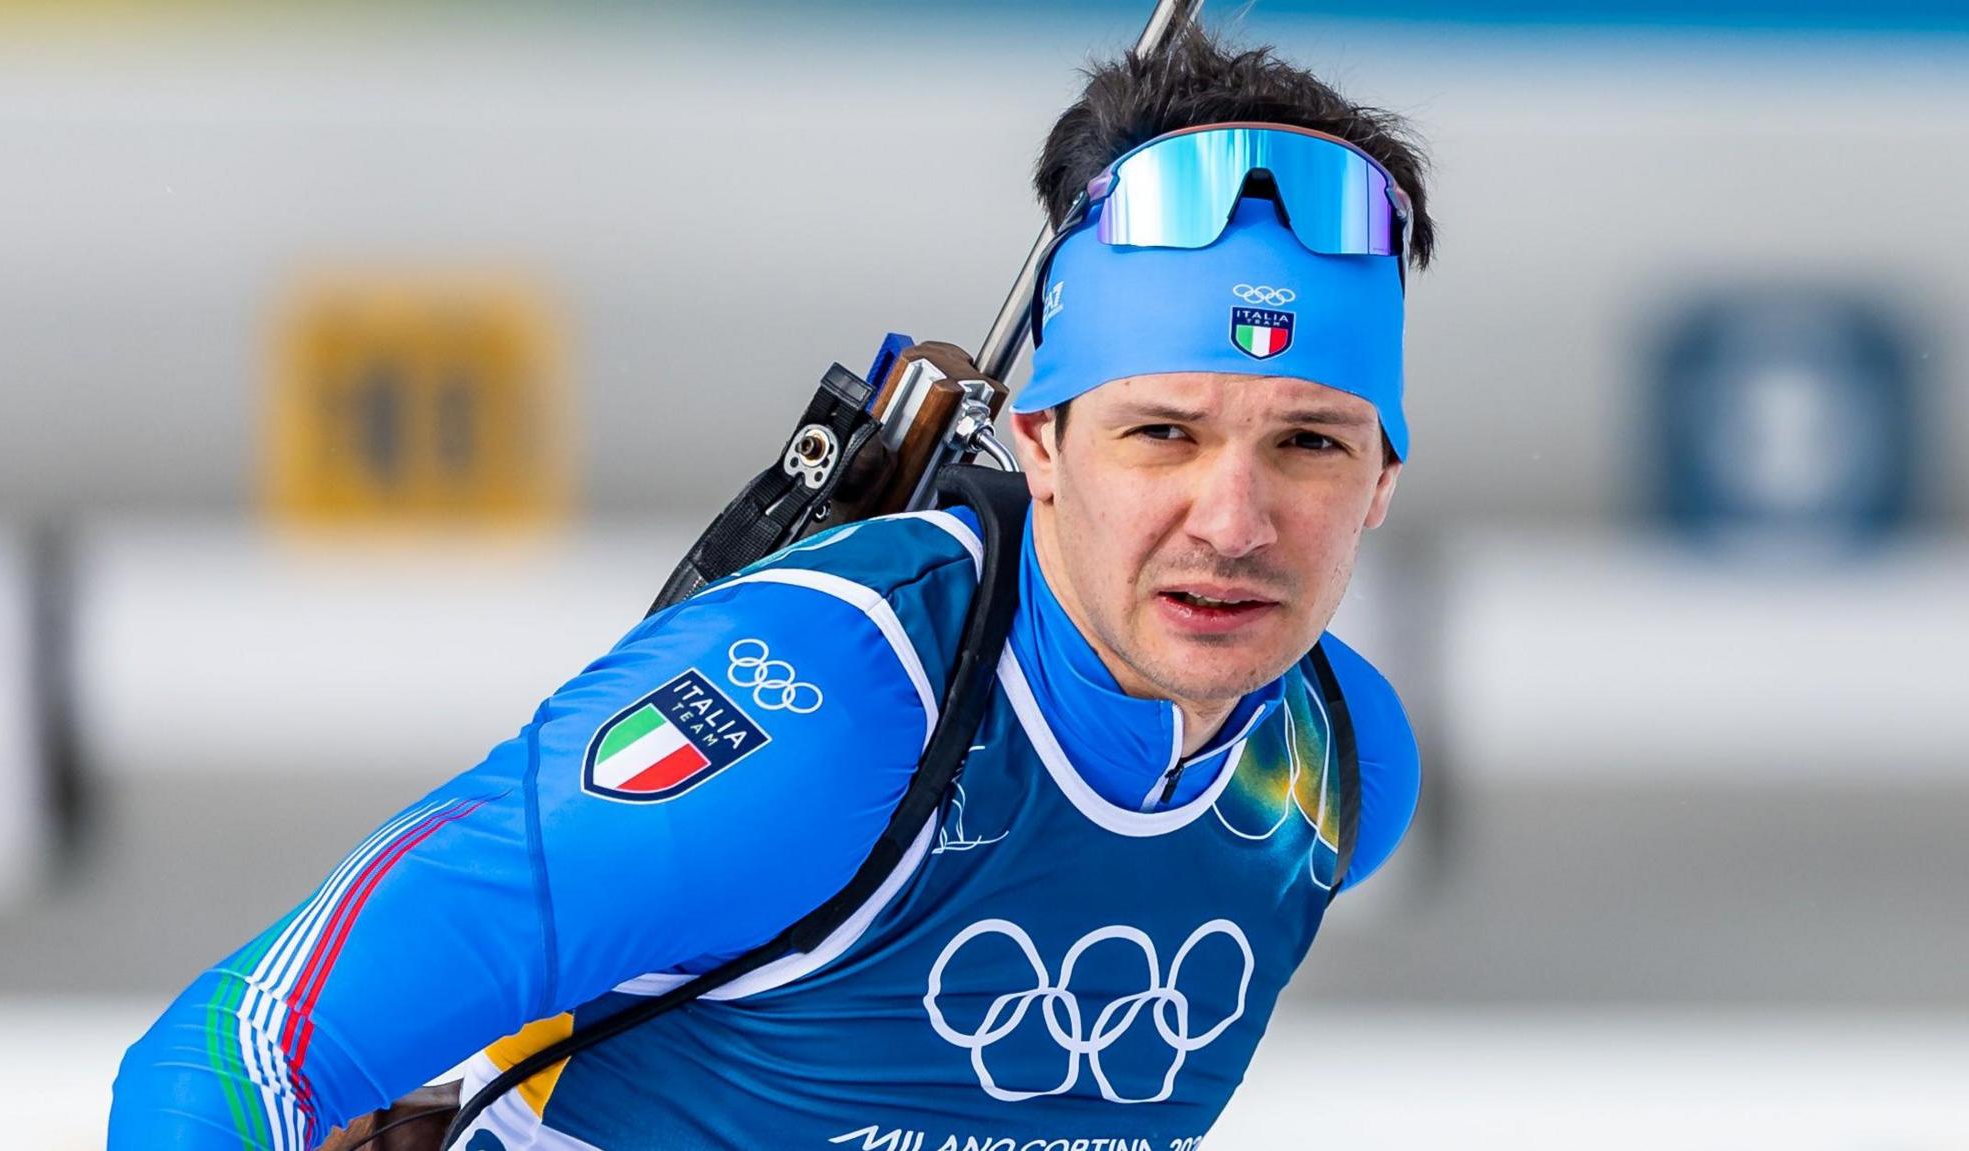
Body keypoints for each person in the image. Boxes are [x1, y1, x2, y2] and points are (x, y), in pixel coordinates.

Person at [110, 25, 1432, 1151]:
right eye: (1163, 434)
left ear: (1381, 478)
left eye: (1310, 443)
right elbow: (231, 1059)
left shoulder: (1335, 771)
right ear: (1039, 440)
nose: (1235, 520)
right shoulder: (822, 715)